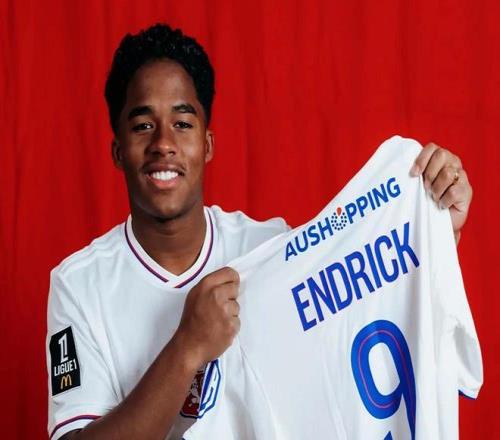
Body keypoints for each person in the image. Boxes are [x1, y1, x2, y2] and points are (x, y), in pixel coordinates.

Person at [46, 23, 473, 440]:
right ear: (118, 151)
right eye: (143, 125)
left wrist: (434, 230)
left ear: (207, 145)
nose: (163, 143)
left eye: (182, 123)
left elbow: (375, 315)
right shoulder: (79, 284)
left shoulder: (270, 250)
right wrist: (187, 347)